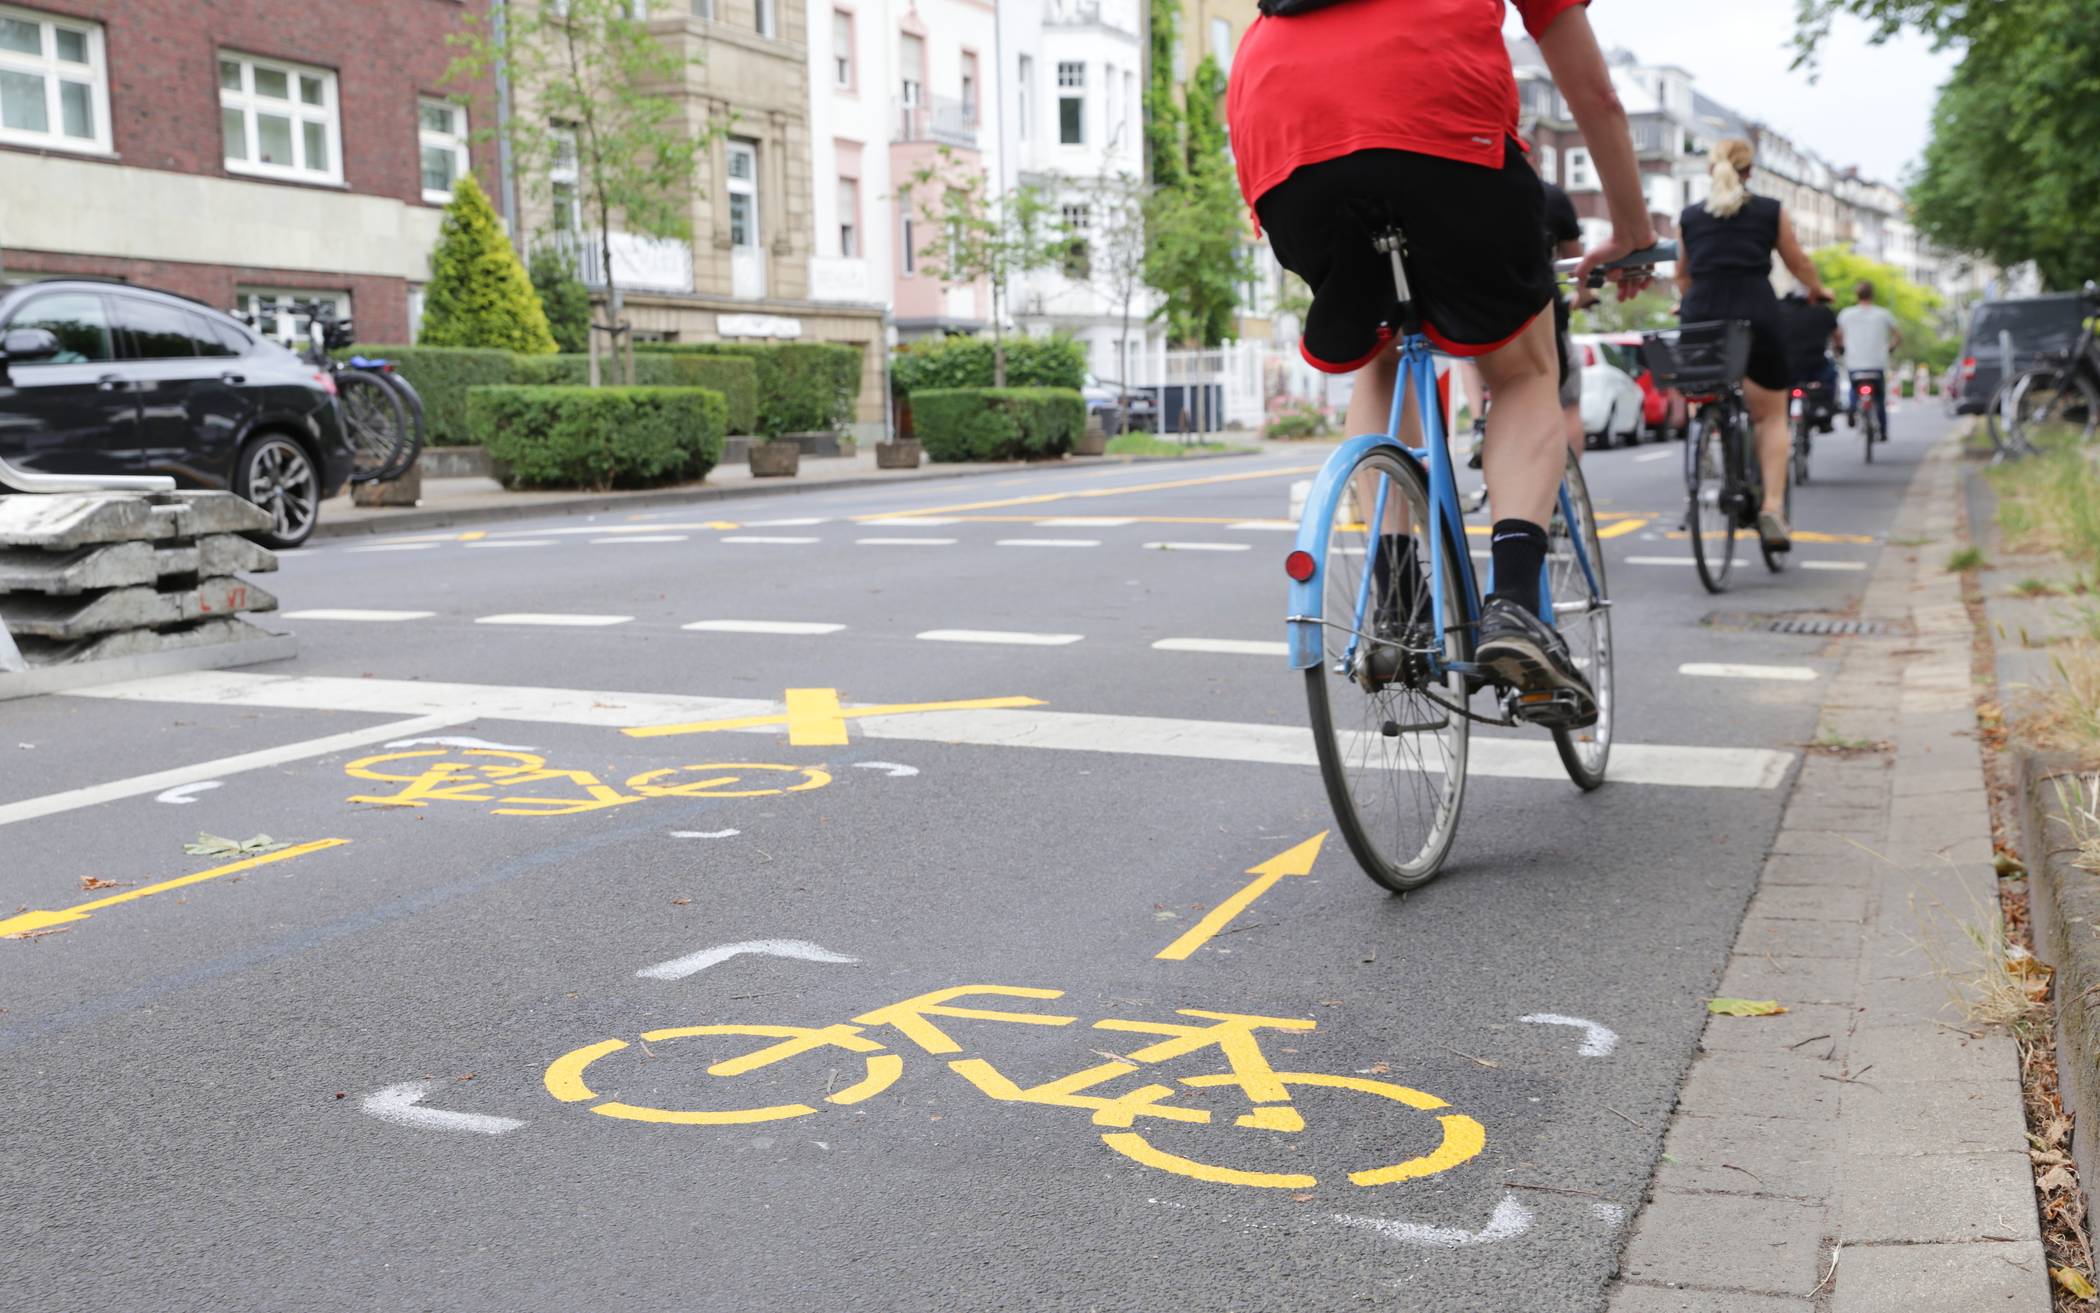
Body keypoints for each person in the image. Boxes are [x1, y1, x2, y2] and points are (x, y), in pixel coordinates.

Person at [1227, 0, 1654, 725]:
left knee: (1380, 347)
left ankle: (1395, 596)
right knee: (1523, 371)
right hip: (1440, 129)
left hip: (1281, 138)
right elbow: (1598, 97)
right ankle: (1516, 604)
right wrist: (1634, 230)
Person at [1674, 138, 1834, 552]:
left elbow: (1683, 273)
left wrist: (1686, 303)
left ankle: (1706, 449)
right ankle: (1773, 507)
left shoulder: (1690, 217)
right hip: (1756, 313)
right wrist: (1816, 290)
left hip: (1703, 315)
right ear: (1749, 172)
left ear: (1711, 170)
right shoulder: (1769, 211)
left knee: (1704, 386)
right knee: (1770, 416)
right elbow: (1796, 261)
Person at [1838, 281, 1901, 441]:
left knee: (1854, 388)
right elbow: (1898, 336)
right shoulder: (1883, 314)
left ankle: (1852, 409)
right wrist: (1890, 348)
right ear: (1872, 295)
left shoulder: (1846, 314)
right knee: (1879, 398)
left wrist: (1841, 349)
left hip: (1854, 362)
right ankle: (1883, 431)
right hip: (1877, 362)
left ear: (1856, 295)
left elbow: (1838, 336)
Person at [1779, 288, 1840, 434]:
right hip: (1816, 365)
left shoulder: (1779, 310)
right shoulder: (1823, 311)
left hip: (1787, 367)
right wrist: (1840, 348)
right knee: (1832, 375)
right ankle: (1826, 416)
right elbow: (1838, 336)